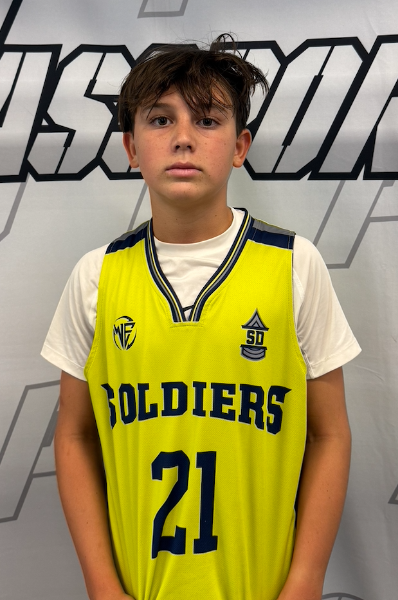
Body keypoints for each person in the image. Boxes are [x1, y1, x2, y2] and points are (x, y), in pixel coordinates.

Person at [42, 34, 361, 600]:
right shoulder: (97, 276)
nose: (184, 138)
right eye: (161, 120)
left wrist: (307, 579)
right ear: (131, 148)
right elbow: (74, 436)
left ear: (239, 147)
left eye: (207, 120)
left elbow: (330, 434)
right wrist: (101, 586)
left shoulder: (294, 265)